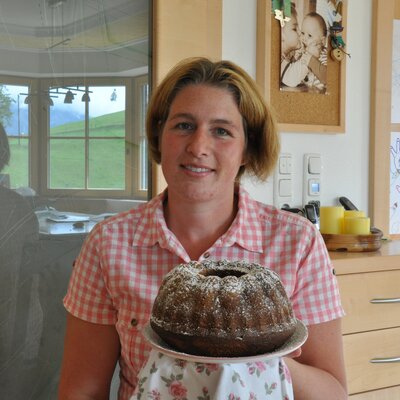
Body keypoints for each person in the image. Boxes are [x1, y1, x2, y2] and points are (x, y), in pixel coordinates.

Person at [58, 57, 347, 400]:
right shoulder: (108, 245)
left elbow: (333, 393)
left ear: (246, 149)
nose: (198, 147)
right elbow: (81, 390)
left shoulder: (297, 243)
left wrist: (265, 358)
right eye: (183, 126)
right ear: (159, 136)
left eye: (222, 131)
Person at [281, 6, 327, 93]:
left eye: (309, 35)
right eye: (302, 33)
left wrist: (312, 60)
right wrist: (294, 59)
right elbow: (292, 75)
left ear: (322, 41)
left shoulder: (324, 55)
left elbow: (327, 78)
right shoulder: (302, 53)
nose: (304, 38)